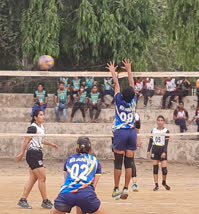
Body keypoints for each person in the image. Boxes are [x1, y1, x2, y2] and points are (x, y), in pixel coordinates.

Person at [106, 60, 138, 200]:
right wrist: (129, 70)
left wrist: (113, 71)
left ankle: (116, 188)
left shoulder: (119, 99)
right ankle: (126, 188)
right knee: (129, 162)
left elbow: (117, 85)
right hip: (132, 132)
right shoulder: (133, 101)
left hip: (120, 132)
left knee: (118, 162)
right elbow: (131, 85)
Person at [16, 109, 59, 209]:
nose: (43, 116)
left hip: (38, 153)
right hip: (33, 154)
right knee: (42, 178)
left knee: (33, 178)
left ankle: (23, 199)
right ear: (35, 117)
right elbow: (26, 141)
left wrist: (52, 144)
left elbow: (41, 141)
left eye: (43, 114)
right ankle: (45, 201)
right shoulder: (32, 128)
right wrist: (21, 153)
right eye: (40, 115)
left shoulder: (41, 127)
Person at [51, 137, 105, 214]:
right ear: (90, 148)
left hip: (67, 193)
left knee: (54, 211)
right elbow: (93, 186)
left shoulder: (69, 159)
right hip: (86, 194)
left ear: (77, 148)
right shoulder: (94, 161)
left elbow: (66, 179)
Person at [147, 115, 171, 191]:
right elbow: (151, 141)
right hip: (155, 149)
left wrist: (164, 151)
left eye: (161, 120)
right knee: (155, 168)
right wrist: (148, 150)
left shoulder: (166, 131)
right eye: (159, 120)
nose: (160, 122)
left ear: (163, 122)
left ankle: (164, 182)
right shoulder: (153, 130)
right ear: (157, 121)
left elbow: (166, 143)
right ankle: (156, 185)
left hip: (162, 148)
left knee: (164, 169)